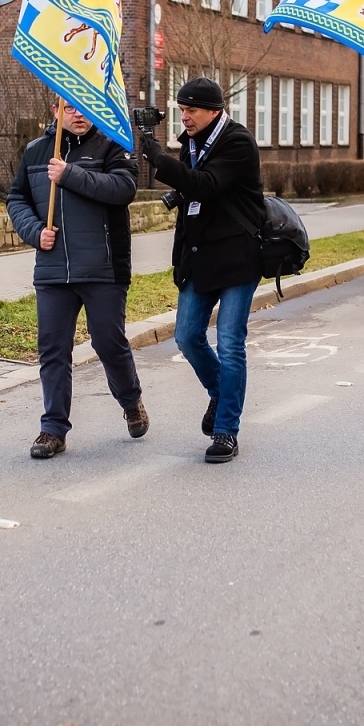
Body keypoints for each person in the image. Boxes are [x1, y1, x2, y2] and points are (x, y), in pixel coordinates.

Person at [9, 101, 146, 458]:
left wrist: (69, 174)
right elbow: (16, 198)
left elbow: (123, 188)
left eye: (85, 107)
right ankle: (53, 429)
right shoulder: (37, 151)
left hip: (103, 267)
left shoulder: (113, 144)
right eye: (70, 108)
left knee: (107, 342)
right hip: (53, 270)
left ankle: (131, 400)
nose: (78, 115)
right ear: (56, 110)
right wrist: (34, 231)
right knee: (53, 348)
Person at [140, 76, 265, 464]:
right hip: (199, 257)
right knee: (186, 336)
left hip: (237, 259)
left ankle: (227, 430)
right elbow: (193, 192)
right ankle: (220, 392)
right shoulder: (191, 143)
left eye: (191, 110)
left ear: (214, 111)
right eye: (181, 109)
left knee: (230, 343)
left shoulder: (238, 142)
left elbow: (207, 185)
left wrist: (159, 160)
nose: (185, 117)